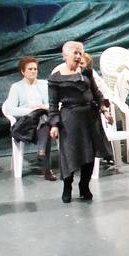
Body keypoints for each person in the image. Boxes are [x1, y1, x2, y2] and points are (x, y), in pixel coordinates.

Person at [47, 41, 112, 202]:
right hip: (70, 118)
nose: (77, 56)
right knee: (70, 153)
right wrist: (54, 124)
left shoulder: (86, 72)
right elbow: (53, 104)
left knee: (90, 153)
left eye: (80, 53)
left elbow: (96, 93)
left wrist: (104, 110)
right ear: (65, 55)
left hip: (90, 117)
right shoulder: (56, 78)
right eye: (74, 53)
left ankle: (84, 185)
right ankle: (67, 186)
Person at [5, 56, 54, 180]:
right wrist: (29, 111)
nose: (33, 71)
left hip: (43, 119)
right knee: (41, 118)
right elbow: (9, 109)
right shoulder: (16, 87)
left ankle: (42, 155)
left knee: (44, 118)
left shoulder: (44, 84)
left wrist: (44, 106)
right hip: (26, 124)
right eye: (30, 69)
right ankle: (45, 164)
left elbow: (52, 103)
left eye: (35, 69)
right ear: (23, 71)